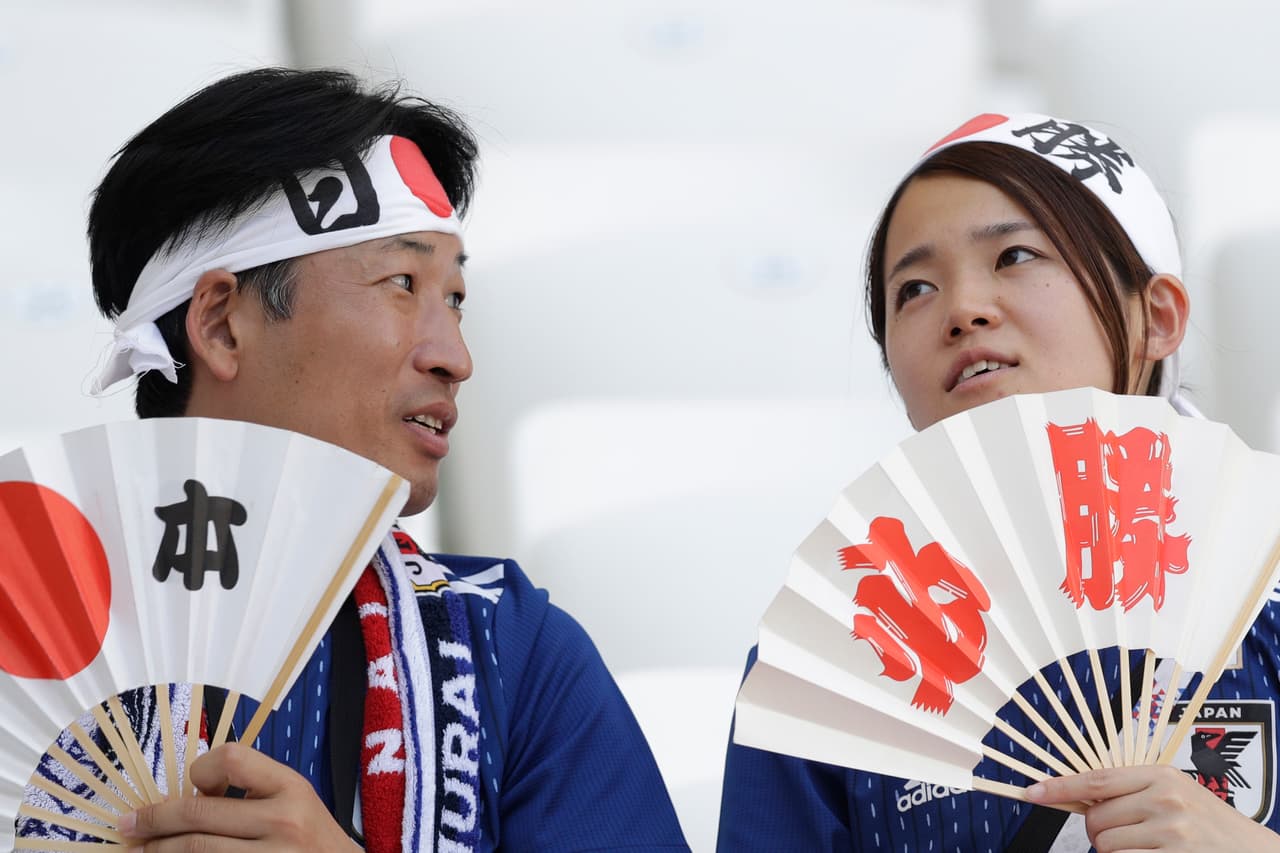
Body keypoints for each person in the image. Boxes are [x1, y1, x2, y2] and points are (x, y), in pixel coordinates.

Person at [16, 67, 689, 852]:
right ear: (223, 325)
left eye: (455, 298)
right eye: (403, 283)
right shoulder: (23, 616)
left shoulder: (515, 652)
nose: (455, 356)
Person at [716, 113, 1280, 851]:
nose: (961, 310)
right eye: (913, 289)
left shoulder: (1264, 575)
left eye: (1014, 255)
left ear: (1158, 318)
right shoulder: (840, 651)